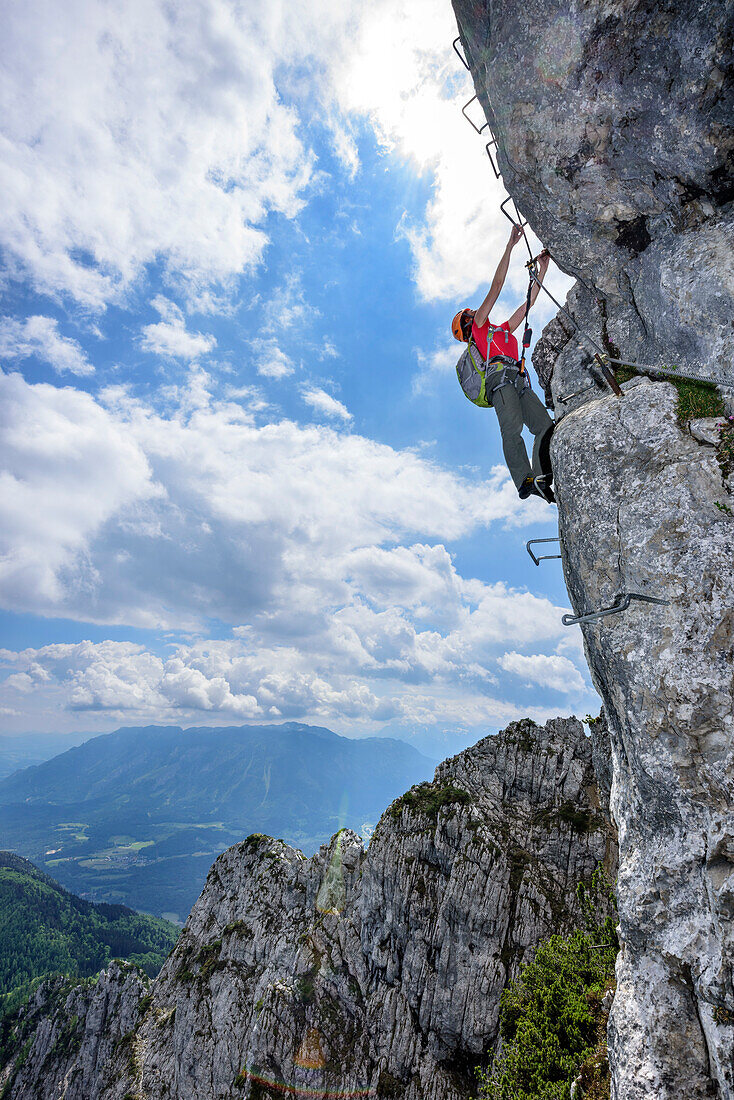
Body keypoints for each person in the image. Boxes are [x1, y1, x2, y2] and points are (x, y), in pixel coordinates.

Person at [451, 226, 555, 503]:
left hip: (518, 380)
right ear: (468, 325)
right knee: (513, 429)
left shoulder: (502, 330)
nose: (475, 310)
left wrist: (542, 270)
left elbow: (528, 304)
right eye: (469, 313)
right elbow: (496, 287)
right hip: (500, 382)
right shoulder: (481, 328)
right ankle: (524, 481)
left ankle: (542, 477)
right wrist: (510, 245)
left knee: (545, 424)